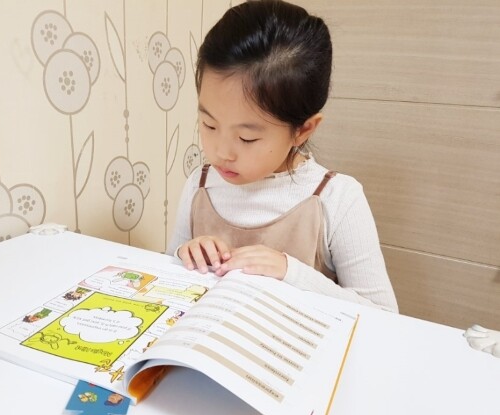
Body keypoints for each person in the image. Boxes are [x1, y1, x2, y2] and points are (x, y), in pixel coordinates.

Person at [166, 0, 398, 312]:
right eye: (209, 124)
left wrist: (291, 272)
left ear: (303, 130)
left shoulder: (337, 199)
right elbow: (164, 274)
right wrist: (185, 254)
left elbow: (384, 314)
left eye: (247, 138)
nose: (221, 152)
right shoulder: (201, 184)